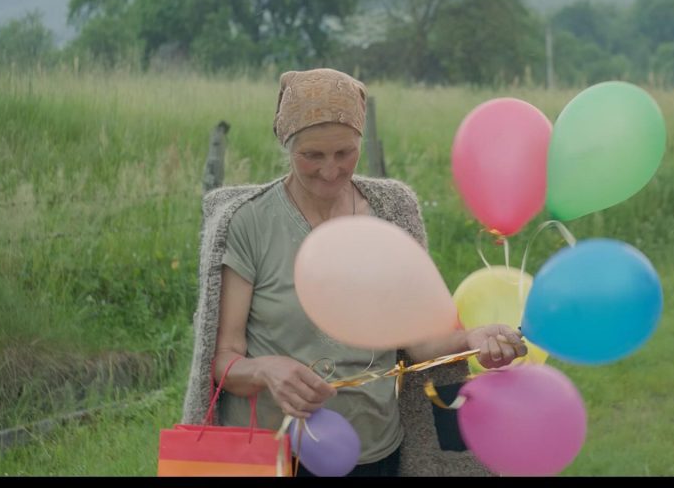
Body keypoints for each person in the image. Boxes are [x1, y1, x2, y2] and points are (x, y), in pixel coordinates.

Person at [182, 68, 527, 477]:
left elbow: (418, 342)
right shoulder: (248, 223)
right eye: (312, 155)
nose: (330, 169)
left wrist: (471, 338)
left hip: (374, 451)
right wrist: (267, 370)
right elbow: (223, 359)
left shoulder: (391, 213)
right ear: (286, 144)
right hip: (273, 456)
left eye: (344, 153)